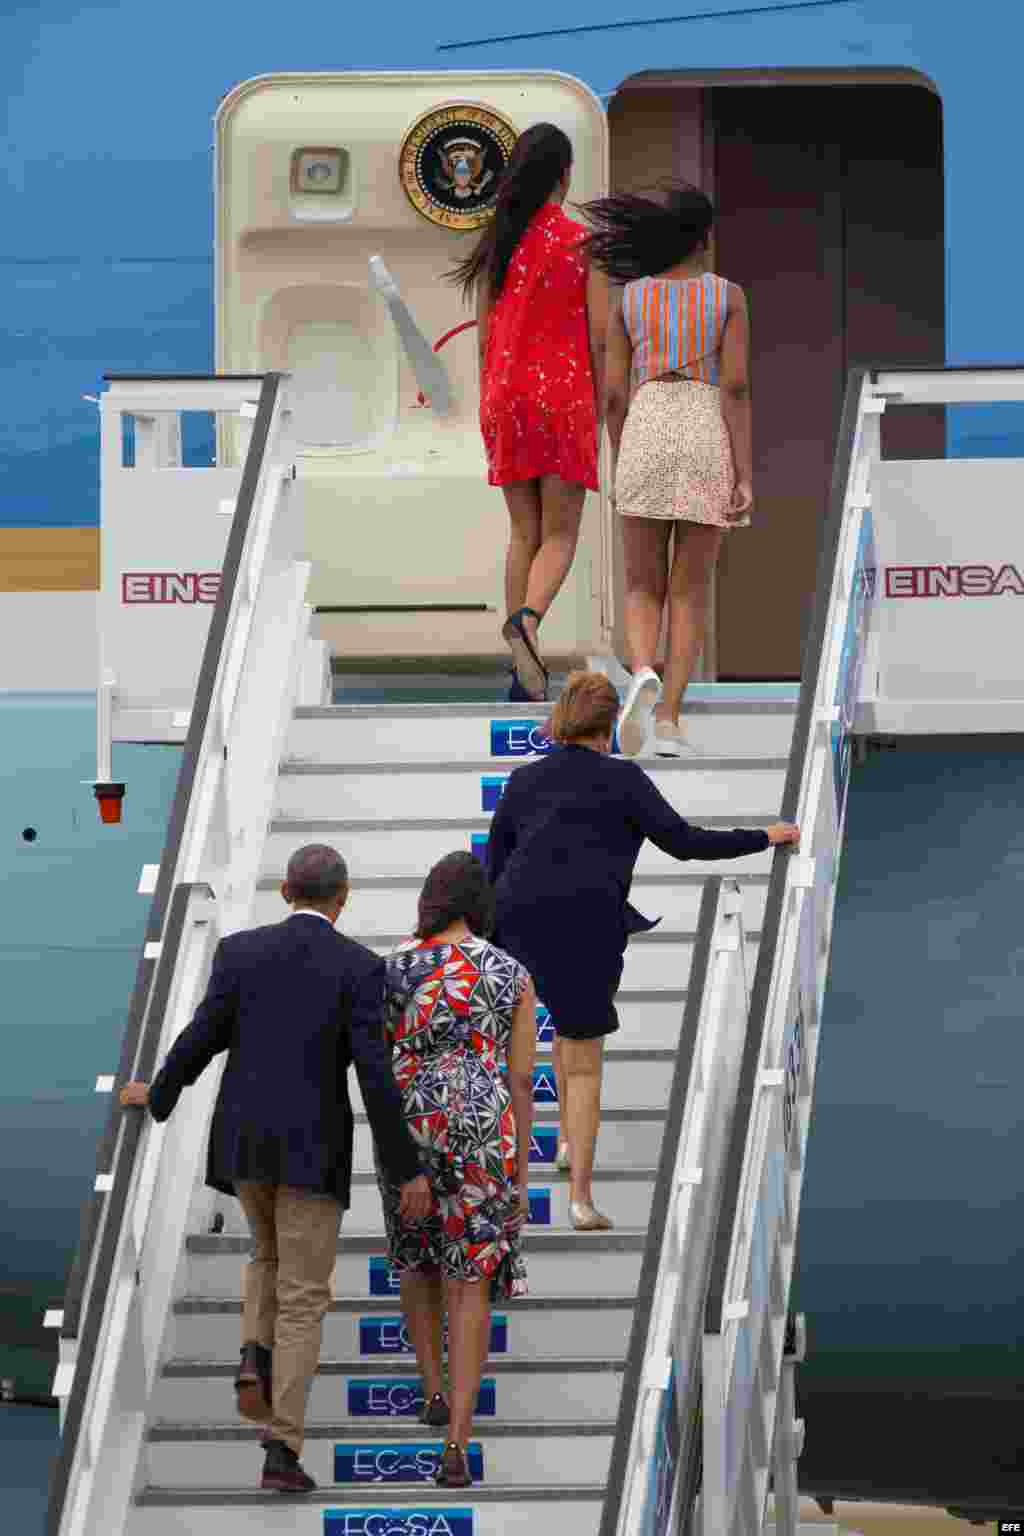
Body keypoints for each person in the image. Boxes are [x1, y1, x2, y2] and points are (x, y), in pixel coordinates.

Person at [119, 844, 431, 1495]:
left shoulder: (239, 952)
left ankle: (251, 1356)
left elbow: (203, 1033)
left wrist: (160, 1093)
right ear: (341, 899)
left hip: (244, 1145)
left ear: (287, 891)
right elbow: (374, 1076)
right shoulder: (360, 968)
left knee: (265, 1254)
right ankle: (282, 1448)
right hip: (313, 1151)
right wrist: (407, 1169)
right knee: (305, 1298)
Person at [486, 671, 799, 1230]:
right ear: (609, 728)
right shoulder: (624, 778)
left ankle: (556, 1151)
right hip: (586, 923)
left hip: (517, 922)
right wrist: (763, 836)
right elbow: (684, 843)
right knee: (582, 1061)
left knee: (554, 1033)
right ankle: (580, 1199)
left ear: (562, 719)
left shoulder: (522, 780)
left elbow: (494, 870)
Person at [378, 852, 536, 1489]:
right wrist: (521, 1172)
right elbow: (523, 1076)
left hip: (410, 1122)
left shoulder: (391, 969)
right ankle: (458, 1443)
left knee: (417, 1256)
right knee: (469, 1280)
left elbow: (374, 1061)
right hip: (482, 1127)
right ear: (481, 905)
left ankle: (430, 1389)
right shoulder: (512, 972)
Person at [581, 184, 752, 757]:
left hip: (647, 423)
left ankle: (642, 672)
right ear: (704, 239)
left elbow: (611, 393)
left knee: (640, 582)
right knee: (691, 590)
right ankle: (672, 719)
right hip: (705, 425)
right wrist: (743, 471)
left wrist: (622, 447)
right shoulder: (728, 296)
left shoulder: (629, 300)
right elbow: (735, 387)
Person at [449, 122, 608, 703]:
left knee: (523, 531)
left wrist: (490, 400)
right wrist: (607, 406)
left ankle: (522, 675)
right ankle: (529, 622)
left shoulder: (499, 240)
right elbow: (596, 340)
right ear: (564, 175)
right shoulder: (581, 244)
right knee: (562, 533)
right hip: (564, 395)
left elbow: (485, 338)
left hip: (506, 395)